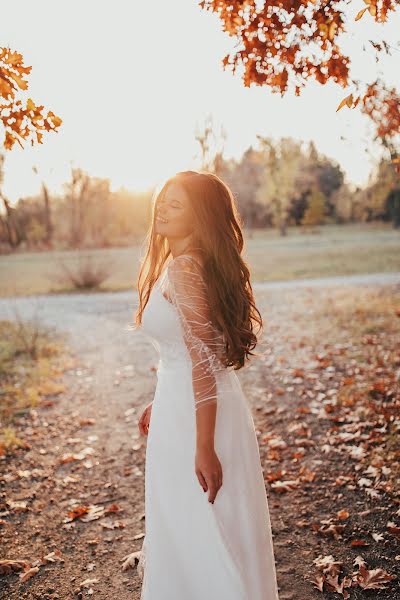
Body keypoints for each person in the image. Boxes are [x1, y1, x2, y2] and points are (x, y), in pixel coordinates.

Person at [133, 170, 280, 600]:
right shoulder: (184, 265)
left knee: (206, 530)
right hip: (181, 407)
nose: (163, 208)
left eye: (176, 204)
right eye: (163, 199)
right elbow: (187, 352)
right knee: (188, 529)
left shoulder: (185, 269)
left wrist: (204, 445)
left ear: (199, 216)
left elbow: (204, 361)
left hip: (200, 419)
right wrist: (160, 400)